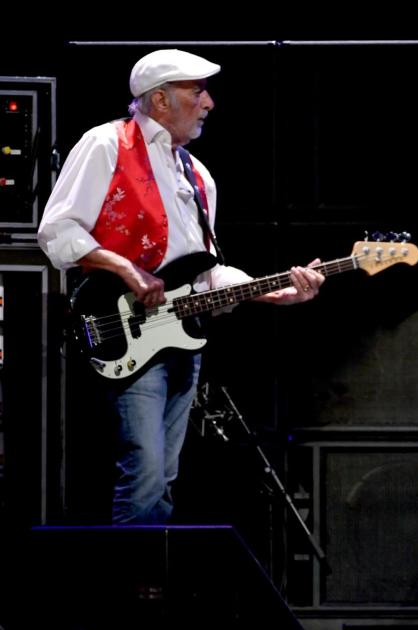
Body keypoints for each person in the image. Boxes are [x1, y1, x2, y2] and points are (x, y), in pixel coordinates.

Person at [37, 49, 326, 525]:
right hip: (123, 328)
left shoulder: (198, 175)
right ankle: (131, 588)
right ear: (160, 99)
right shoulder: (105, 144)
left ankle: (153, 586)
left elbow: (208, 272)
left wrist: (275, 291)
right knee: (147, 471)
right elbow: (59, 231)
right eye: (198, 91)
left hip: (179, 336)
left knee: (165, 475)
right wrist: (129, 271)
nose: (209, 103)